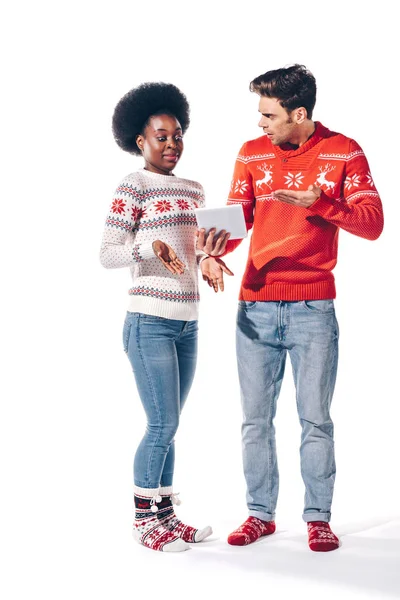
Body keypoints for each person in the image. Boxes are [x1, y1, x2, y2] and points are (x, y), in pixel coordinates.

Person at [198, 64, 384, 551]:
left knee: (315, 418)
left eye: (268, 115)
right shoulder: (251, 153)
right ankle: (260, 514)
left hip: (313, 308)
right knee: (254, 419)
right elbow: (235, 223)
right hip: (254, 308)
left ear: (298, 113)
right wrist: (213, 252)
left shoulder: (344, 151)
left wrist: (321, 201)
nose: (259, 123)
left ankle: (318, 518)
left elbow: (372, 223)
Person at [100, 82, 232, 552]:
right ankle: (143, 523)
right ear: (141, 142)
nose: (172, 144)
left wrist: (209, 258)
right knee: (161, 425)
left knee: (170, 423)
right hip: (148, 320)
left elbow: (193, 248)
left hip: (187, 320)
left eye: (178, 135)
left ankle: (168, 516)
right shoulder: (133, 186)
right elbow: (108, 253)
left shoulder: (194, 189)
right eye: (162, 136)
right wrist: (149, 247)